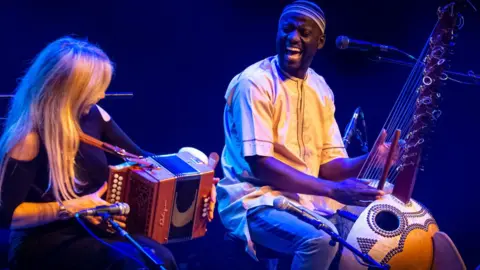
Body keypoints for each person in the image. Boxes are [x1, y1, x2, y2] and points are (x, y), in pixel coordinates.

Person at [0, 36, 217, 270]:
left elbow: (142, 160)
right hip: (45, 241)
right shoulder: (28, 138)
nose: (102, 95)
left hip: (95, 230)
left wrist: (199, 182)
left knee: (160, 259)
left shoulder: (95, 115)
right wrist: (71, 208)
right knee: (130, 264)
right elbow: (7, 217)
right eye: (95, 89)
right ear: (71, 90)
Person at [216, 1, 395, 269]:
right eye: (286, 29)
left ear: (320, 41)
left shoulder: (320, 88)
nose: (292, 38)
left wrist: (371, 159)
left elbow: (328, 165)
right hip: (256, 199)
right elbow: (261, 165)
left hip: (305, 201)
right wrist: (334, 190)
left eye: (303, 32)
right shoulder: (254, 83)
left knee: (378, 227)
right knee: (320, 240)